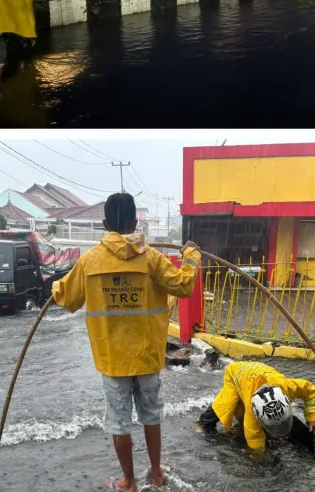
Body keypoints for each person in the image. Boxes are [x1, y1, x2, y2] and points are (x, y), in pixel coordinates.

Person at [51, 193, 201, 492]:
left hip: (113, 360)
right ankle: (156, 473)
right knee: (151, 416)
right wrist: (191, 257)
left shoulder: (89, 261)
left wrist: (56, 284)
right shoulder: (152, 259)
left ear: (105, 224)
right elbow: (184, 285)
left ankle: (129, 482)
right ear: (135, 221)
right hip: (147, 355)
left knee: (119, 422)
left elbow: (65, 297)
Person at [198, 361, 315, 456]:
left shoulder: (287, 387)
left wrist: (313, 419)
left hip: (258, 370)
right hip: (235, 373)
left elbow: (311, 391)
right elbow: (253, 436)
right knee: (226, 405)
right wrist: (259, 455)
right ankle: (203, 423)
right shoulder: (252, 409)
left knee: (239, 408)